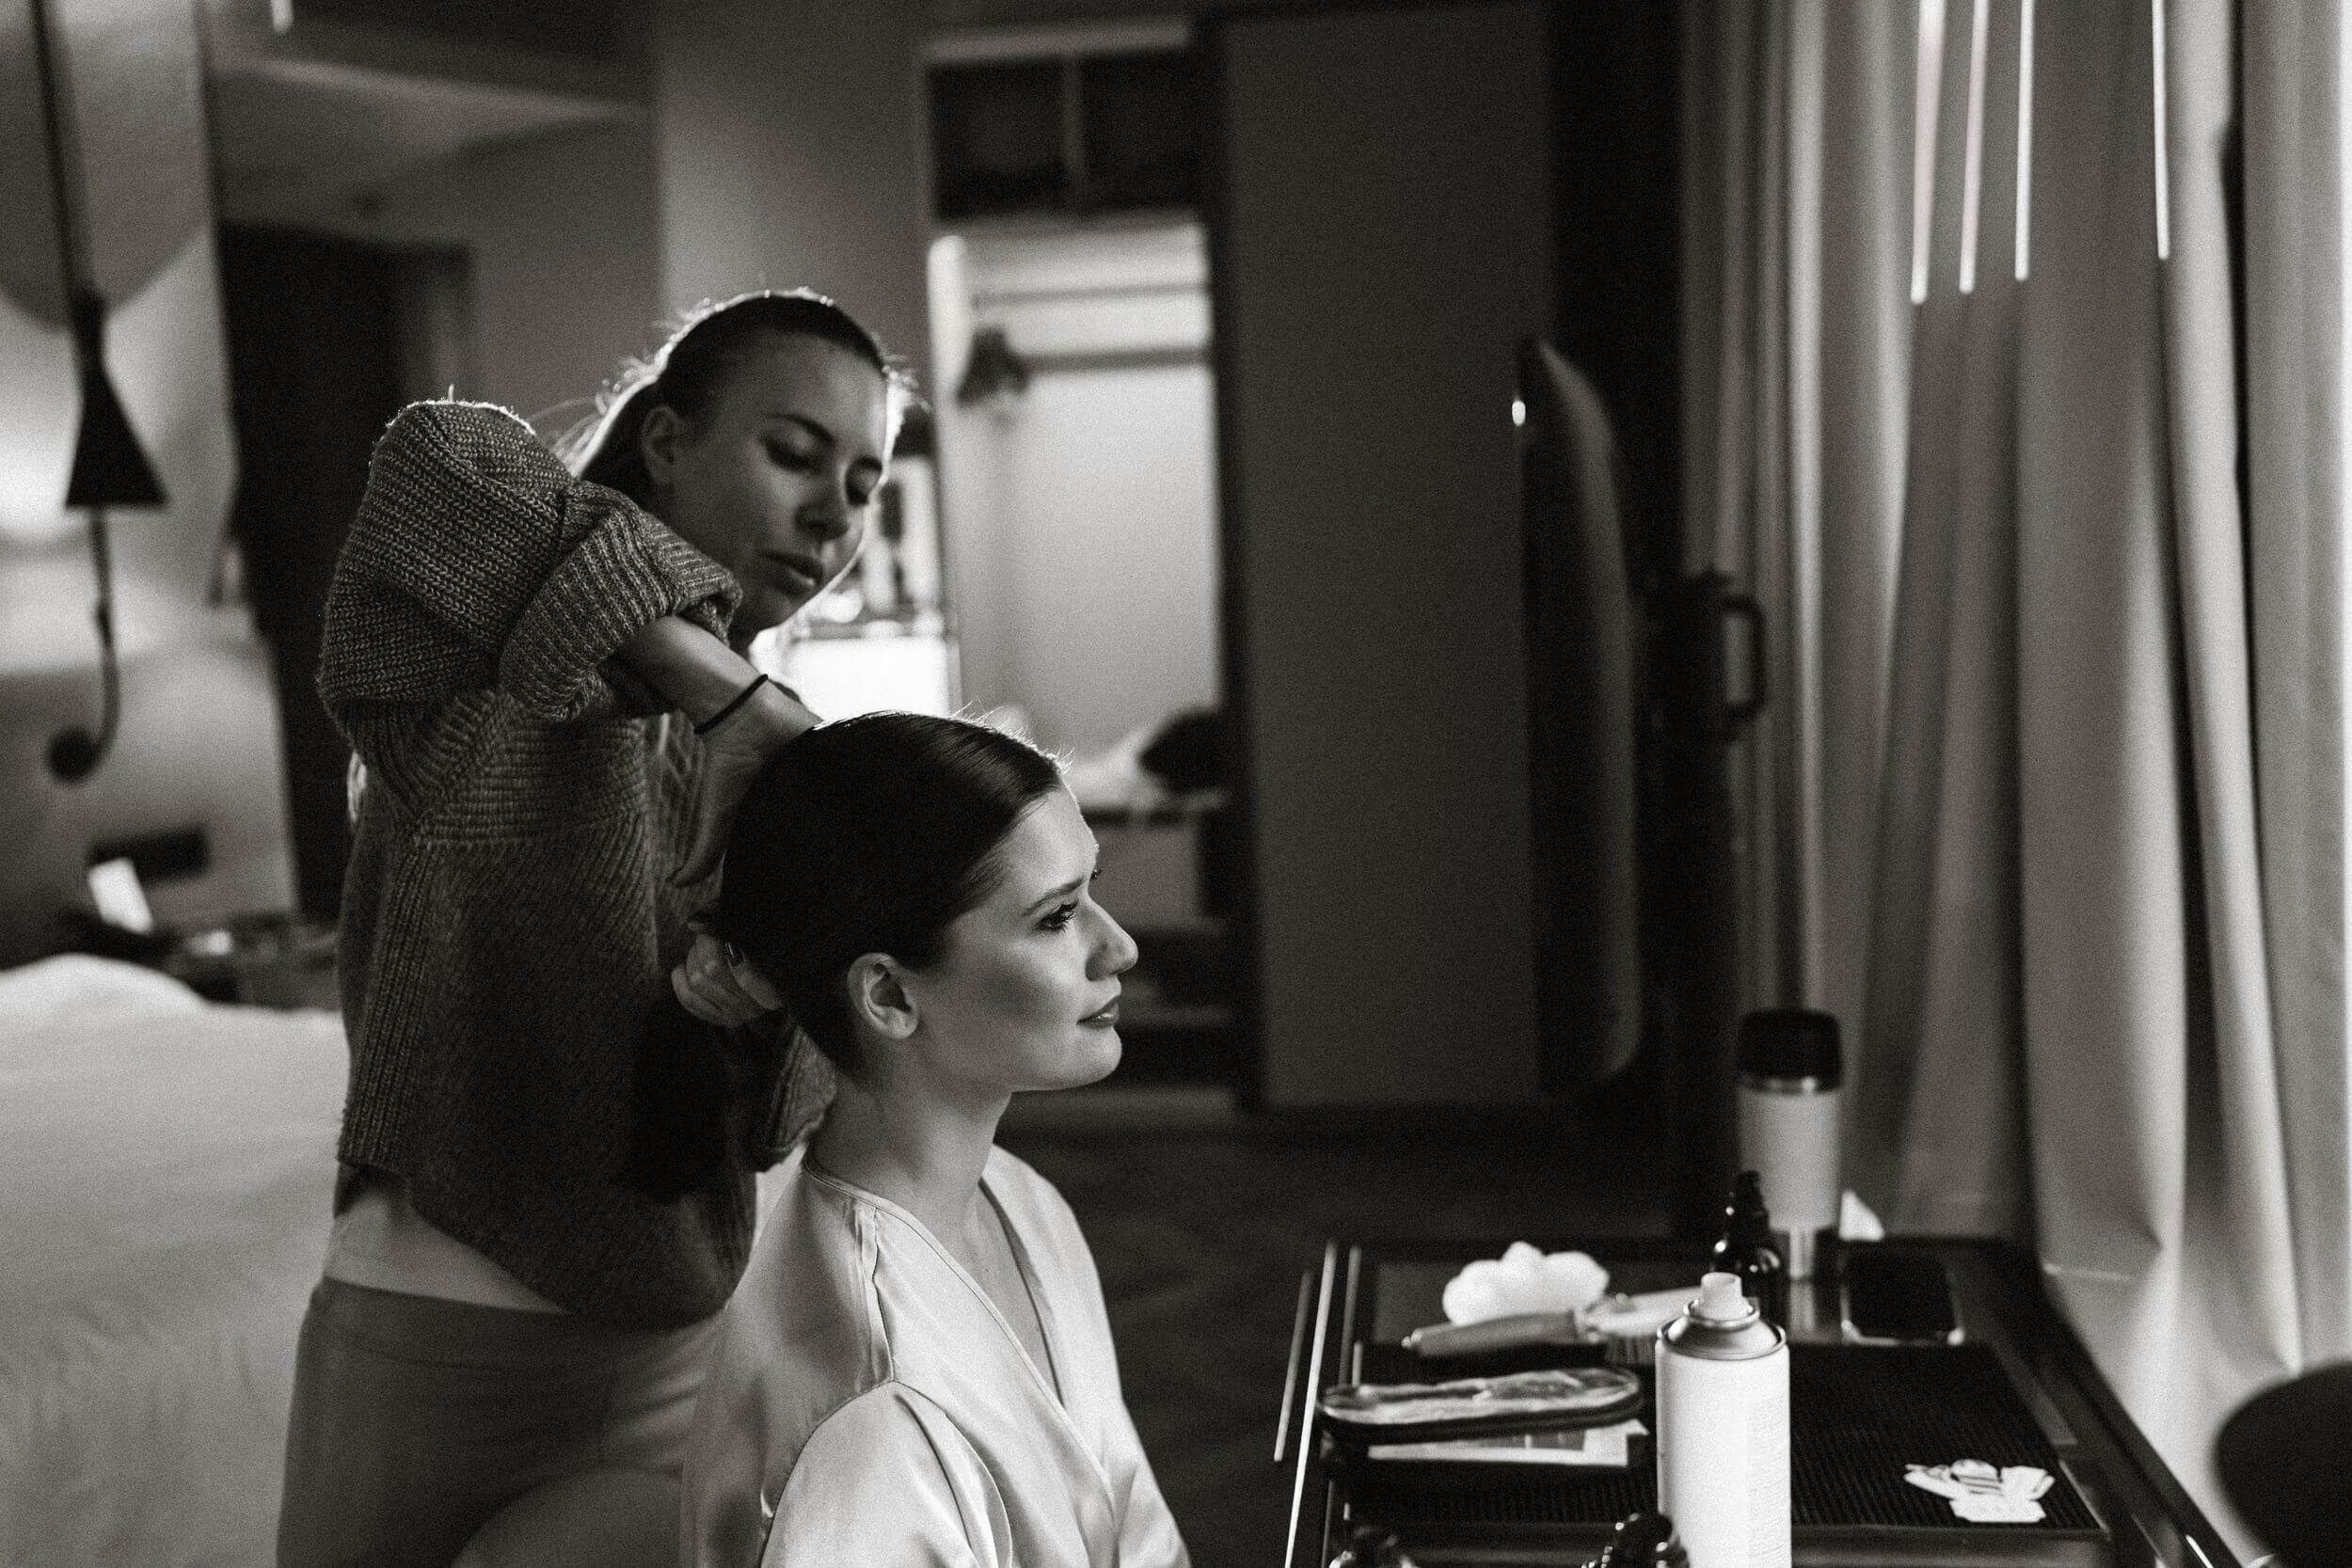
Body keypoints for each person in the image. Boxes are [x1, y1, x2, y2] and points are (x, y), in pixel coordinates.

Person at [278, 290, 905, 1568]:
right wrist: (729, 694)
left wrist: (757, 998)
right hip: (448, 1330)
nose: (837, 508)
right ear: (667, 440)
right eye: (794, 450)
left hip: (680, 1338)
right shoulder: (481, 662)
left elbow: (773, 1119)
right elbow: (433, 456)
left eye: (865, 478)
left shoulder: (781, 755)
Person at [675, 712, 1189, 1568]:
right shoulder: (872, 1416)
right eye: (1058, 917)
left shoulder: (1025, 1202)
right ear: (888, 995)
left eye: (1091, 892)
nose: (1121, 948)